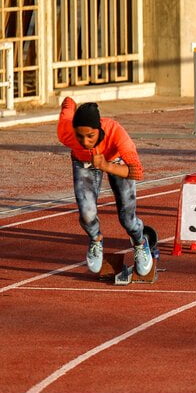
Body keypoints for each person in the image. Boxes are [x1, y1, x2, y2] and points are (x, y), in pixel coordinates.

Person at [57, 98, 153, 275]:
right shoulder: (65, 131)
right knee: (87, 214)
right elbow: (67, 103)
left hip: (117, 162)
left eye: (90, 136)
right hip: (83, 163)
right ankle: (96, 239)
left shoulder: (116, 132)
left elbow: (137, 172)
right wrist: (70, 103)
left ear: (99, 129)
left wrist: (107, 166)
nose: (85, 142)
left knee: (127, 219)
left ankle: (140, 243)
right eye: (79, 136)